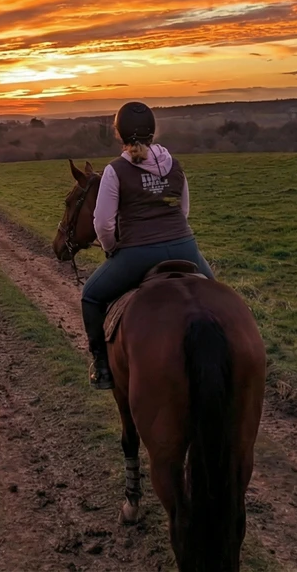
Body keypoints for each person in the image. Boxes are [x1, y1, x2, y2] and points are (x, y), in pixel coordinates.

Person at [82, 101, 215, 390]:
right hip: (184, 246)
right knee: (217, 295)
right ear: (153, 132)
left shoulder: (115, 171)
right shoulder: (175, 165)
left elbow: (103, 223)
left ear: (120, 134)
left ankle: (102, 367)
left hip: (138, 252)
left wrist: (112, 247)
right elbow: (183, 211)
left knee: (91, 296)